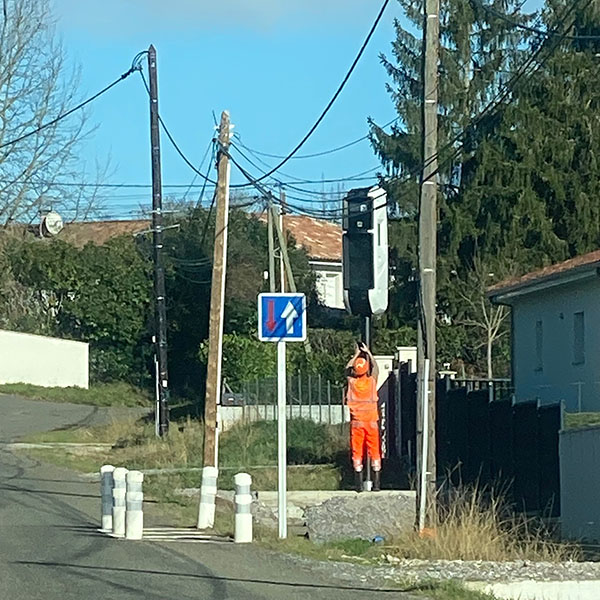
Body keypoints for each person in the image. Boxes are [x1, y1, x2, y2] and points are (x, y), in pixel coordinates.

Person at [345, 341, 382, 492]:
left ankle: (358, 485)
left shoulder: (352, 382)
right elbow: (377, 369)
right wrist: (367, 353)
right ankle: (377, 484)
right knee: (375, 452)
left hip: (357, 423)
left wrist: (356, 355)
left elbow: (347, 369)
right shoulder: (371, 382)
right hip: (372, 422)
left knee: (357, 452)